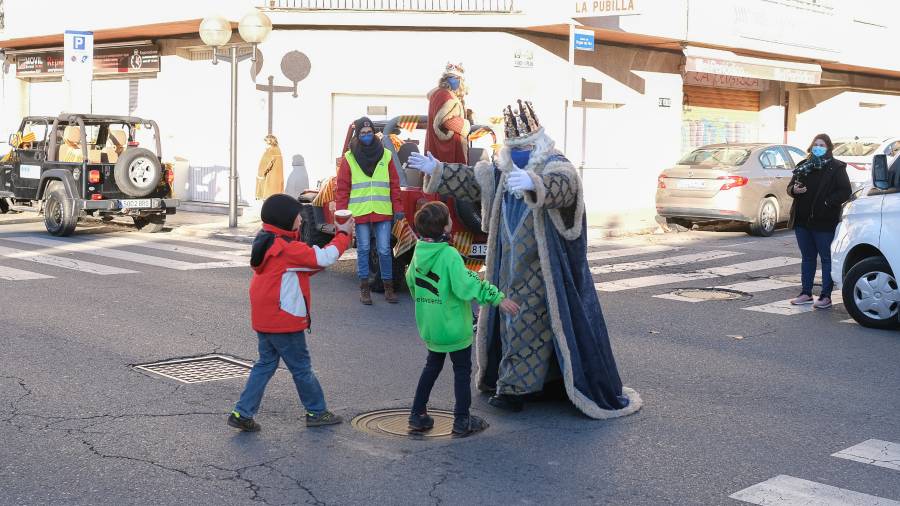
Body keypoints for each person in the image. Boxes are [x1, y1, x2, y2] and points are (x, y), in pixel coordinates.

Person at [407, 100, 641, 419]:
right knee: (509, 323)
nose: (519, 153)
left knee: (527, 323)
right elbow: (475, 180)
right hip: (507, 266)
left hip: (541, 271)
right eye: (513, 147)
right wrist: (438, 170)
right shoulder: (504, 171)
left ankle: (515, 389)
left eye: (525, 147)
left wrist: (536, 185)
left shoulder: (554, 163)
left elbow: (568, 186)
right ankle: (529, 383)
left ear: (538, 143)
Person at [228, 193, 354, 432]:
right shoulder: (287, 247)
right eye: (297, 215)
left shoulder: (267, 239)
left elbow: (297, 269)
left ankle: (242, 412)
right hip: (283, 320)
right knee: (301, 367)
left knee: (265, 364)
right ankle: (317, 411)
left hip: (265, 318)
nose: (301, 218)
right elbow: (323, 257)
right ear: (286, 219)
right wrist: (344, 234)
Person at [406, 201, 520, 435]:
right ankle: (461, 420)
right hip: (455, 328)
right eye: (448, 218)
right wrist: (497, 297)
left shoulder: (418, 251)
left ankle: (417, 414)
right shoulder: (449, 255)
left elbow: (411, 282)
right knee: (461, 371)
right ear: (445, 227)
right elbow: (467, 285)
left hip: (431, 327)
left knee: (431, 366)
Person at [335, 117, 404, 305]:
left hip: (382, 211)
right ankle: (364, 289)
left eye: (369, 132)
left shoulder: (386, 155)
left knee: (384, 250)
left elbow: (394, 185)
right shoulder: (349, 158)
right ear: (357, 135)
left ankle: (388, 288)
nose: (367, 136)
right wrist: (341, 214)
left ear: (374, 133)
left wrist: (398, 208)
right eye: (363, 133)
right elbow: (342, 188)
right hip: (360, 212)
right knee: (364, 249)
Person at [787, 133, 851, 309]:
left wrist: (827, 202)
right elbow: (790, 187)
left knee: (826, 258)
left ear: (828, 147)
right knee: (807, 257)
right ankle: (806, 293)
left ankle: (825, 296)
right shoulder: (803, 166)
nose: (818, 147)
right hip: (802, 220)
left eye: (822, 144)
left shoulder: (836, 167)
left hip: (824, 221)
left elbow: (845, 191)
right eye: (816, 144)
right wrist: (795, 190)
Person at [425, 63, 470, 165]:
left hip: (441, 147)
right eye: (452, 77)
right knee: (449, 177)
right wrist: (465, 126)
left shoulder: (441, 93)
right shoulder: (444, 94)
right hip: (447, 149)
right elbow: (444, 120)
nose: (454, 80)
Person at [256, 135, 284, 200]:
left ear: (269, 142)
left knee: (267, 201)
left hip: (269, 181)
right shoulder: (278, 150)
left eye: (265, 142)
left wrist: (260, 175)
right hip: (277, 182)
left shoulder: (270, 151)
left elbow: (265, 165)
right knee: (275, 200)